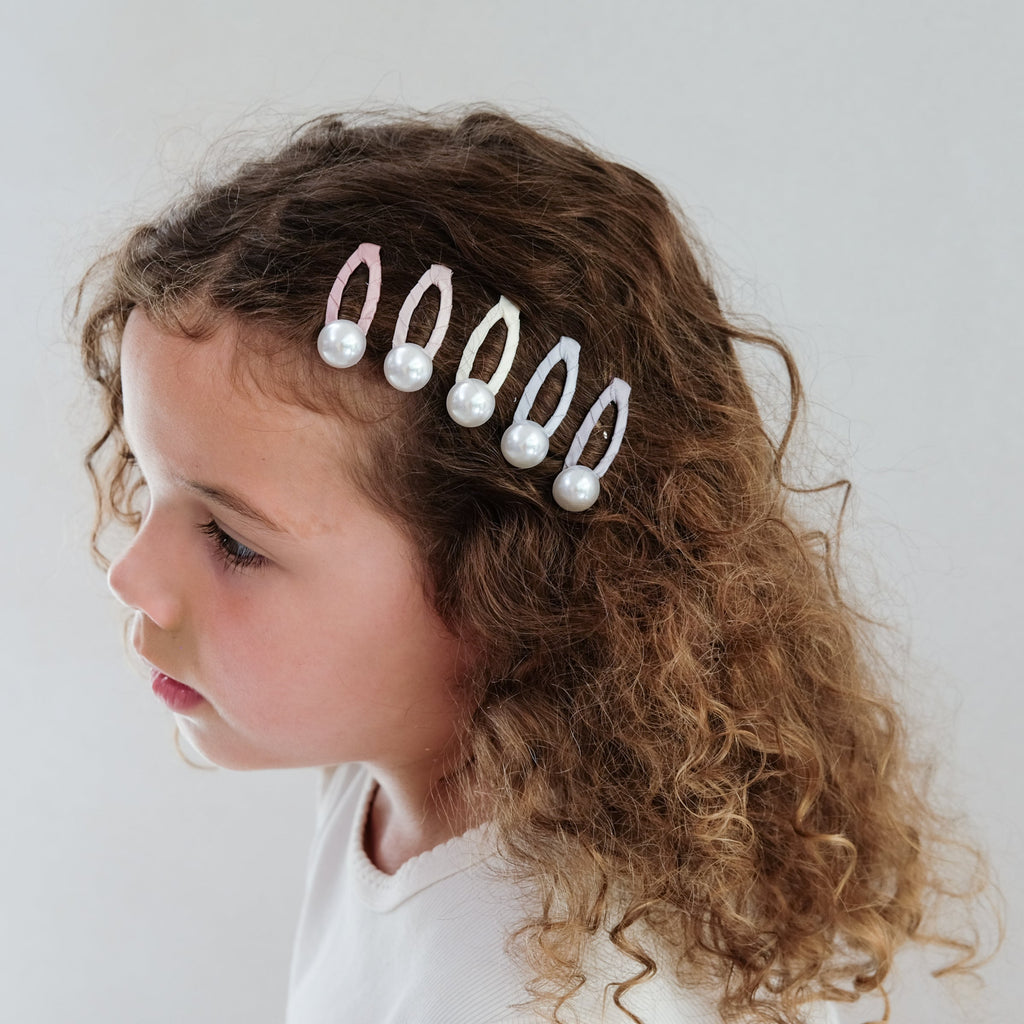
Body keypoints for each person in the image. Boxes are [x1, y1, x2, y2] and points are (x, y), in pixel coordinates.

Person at [75, 108, 997, 1024]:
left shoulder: (551, 993)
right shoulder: (384, 773)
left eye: (234, 540)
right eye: (151, 484)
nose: (131, 575)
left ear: (509, 589)